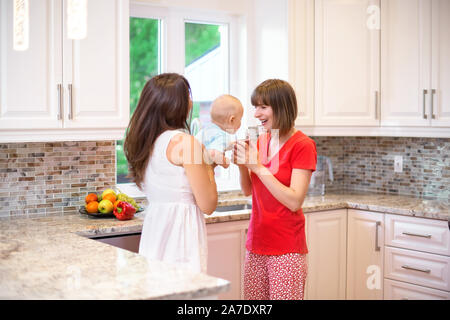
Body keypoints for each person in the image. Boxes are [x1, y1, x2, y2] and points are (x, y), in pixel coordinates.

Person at [123, 73, 222, 273]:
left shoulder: (148, 141)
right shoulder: (187, 143)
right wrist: (210, 166)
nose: (191, 101)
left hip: (155, 230)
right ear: (175, 104)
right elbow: (208, 204)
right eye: (187, 96)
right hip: (181, 237)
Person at [232, 79, 317, 300]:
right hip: (256, 243)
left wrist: (257, 167)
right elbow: (247, 191)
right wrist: (243, 165)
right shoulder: (261, 141)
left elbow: (294, 200)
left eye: (262, 107)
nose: (256, 114)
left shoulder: (303, 145)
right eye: (255, 107)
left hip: (287, 248)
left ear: (281, 106)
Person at [195, 94, 244, 168]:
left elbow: (214, 145)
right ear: (232, 120)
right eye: (240, 119)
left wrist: (232, 145)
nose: (240, 123)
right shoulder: (222, 136)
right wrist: (225, 162)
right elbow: (213, 154)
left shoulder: (208, 130)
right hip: (199, 170)